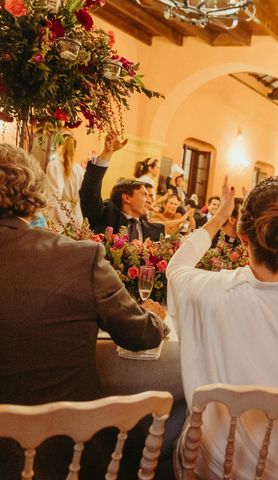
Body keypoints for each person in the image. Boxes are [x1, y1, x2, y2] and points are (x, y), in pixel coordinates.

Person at [0, 143, 168, 477]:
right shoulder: (78, 257)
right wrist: (156, 319)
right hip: (60, 455)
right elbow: (140, 336)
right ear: (33, 189)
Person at [167, 176, 278, 478]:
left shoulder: (212, 290)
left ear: (243, 238)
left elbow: (176, 268)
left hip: (224, 465)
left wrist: (220, 217)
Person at [79, 134, 165, 241]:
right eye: (144, 195)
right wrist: (107, 153)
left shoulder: (155, 231)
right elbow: (89, 192)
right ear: (127, 198)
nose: (149, 201)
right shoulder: (106, 216)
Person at [46, 133, 85, 229]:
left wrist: (45, 211)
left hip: (60, 210)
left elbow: (55, 192)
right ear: (74, 149)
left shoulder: (55, 165)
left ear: (58, 146)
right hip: (76, 210)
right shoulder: (79, 169)